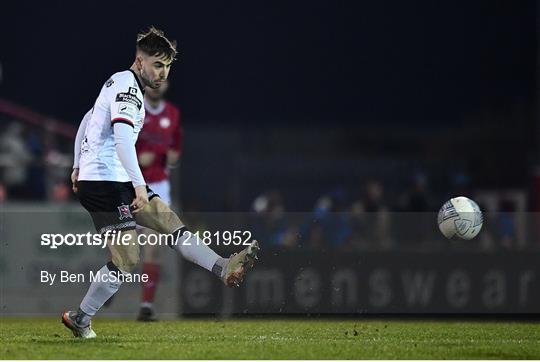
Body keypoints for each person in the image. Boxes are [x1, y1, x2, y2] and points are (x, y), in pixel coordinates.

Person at [63, 26, 259, 339]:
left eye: (167, 66)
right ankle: (80, 318)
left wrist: (76, 164)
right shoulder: (128, 88)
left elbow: (88, 118)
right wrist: (139, 187)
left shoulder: (119, 83)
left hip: (113, 178)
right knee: (126, 260)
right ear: (139, 62)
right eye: (157, 64)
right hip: (106, 182)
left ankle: (222, 267)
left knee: (171, 224)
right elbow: (124, 140)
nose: (163, 72)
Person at [136, 79, 183, 321]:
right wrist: (135, 157)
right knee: (119, 250)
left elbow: (175, 152)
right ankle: (105, 288)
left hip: (158, 188)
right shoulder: (134, 108)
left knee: (153, 247)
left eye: (163, 80)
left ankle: (146, 305)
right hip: (130, 184)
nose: (158, 84)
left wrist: (162, 155)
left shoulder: (173, 114)